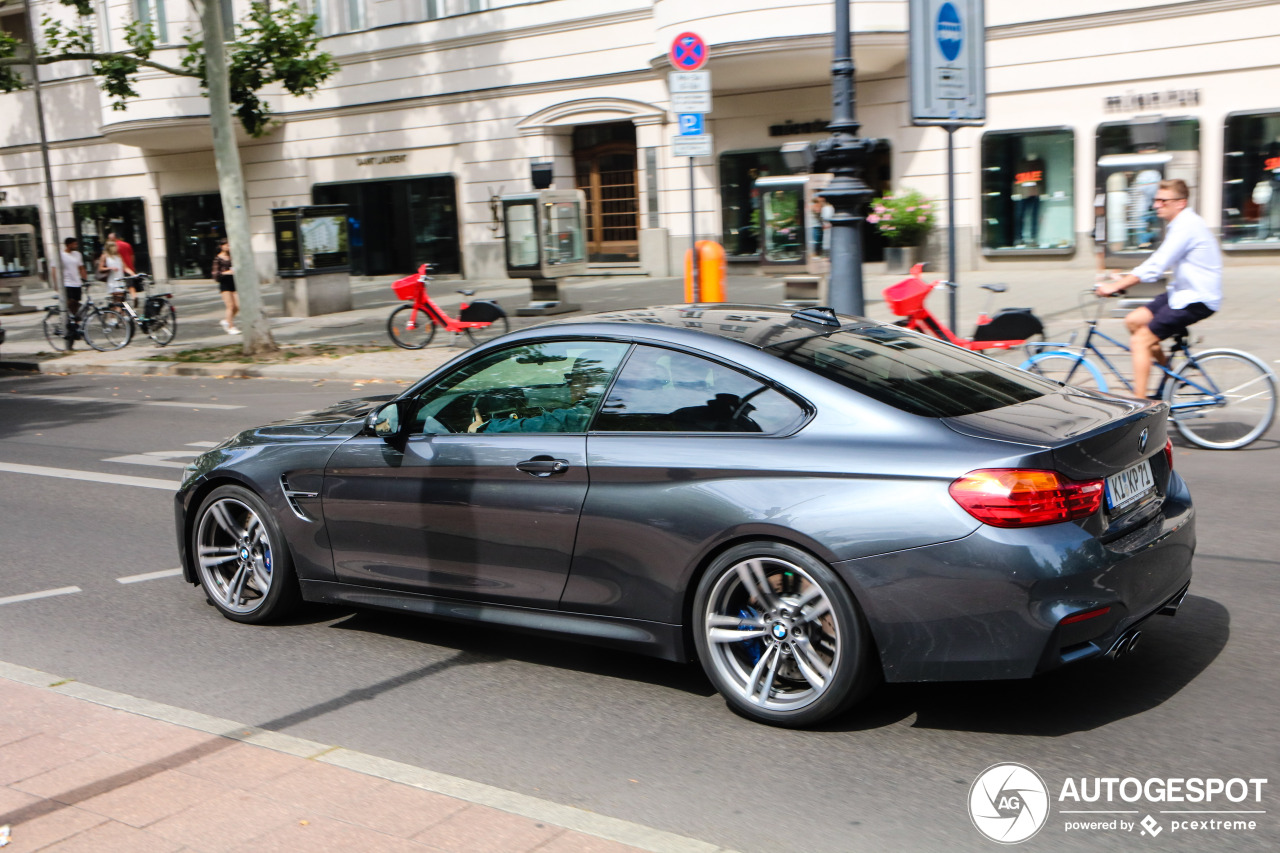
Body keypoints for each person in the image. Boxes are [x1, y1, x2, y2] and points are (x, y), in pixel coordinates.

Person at [1094, 179, 1222, 398]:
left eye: (1163, 201)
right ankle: (1172, 375)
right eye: (1156, 200)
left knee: (1140, 340)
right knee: (1133, 320)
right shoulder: (1180, 224)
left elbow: (1156, 266)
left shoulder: (1187, 226)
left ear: (1180, 203)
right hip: (1180, 293)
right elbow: (1156, 262)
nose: (1156, 205)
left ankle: (1141, 407)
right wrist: (1122, 280)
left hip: (1196, 299)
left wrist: (1116, 285)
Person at [467, 358, 607, 433]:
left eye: (571, 378)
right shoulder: (610, 403)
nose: (569, 385)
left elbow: (545, 425)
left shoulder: (585, 413)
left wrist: (482, 427)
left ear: (583, 381)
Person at [210, 239, 240, 335]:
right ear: (222, 246)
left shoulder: (232, 257)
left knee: (237, 306)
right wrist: (226, 272)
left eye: (230, 245)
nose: (229, 247)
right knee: (230, 306)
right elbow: (215, 274)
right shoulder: (218, 259)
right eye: (227, 245)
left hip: (234, 282)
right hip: (225, 283)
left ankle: (226, 321)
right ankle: (231, 326)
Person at [105, 230, 141, 302]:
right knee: (130, 285)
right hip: (127, 269)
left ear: (113, 238)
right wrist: (132, 268)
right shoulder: (127, 245)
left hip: (118, 275)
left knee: (118, 301)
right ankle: (134, 296)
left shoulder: (114, 248)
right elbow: (132, 256)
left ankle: (121, 310)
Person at [97, 240, 135, 305]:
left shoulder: (118, 256)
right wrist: (110, 268)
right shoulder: (105, 256)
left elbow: (125, 267)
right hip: (113, 281)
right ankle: (118, 313)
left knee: (122, 301)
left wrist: (133, 274)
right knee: (119, 300)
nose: (116, 247)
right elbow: (100, 268)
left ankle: (119, 313)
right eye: (114, 246)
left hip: (120, 280)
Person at [59, 236, 87, 317]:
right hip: (67, 282)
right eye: (74, 244)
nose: (76, 246)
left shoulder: (78, 254)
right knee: (70, 301)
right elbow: (56, 269)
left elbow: (81, 268)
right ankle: (66, 317)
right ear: (68, 245)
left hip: (77, 282)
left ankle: (74, 319)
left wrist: (85, 279)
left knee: (76, 302)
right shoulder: (61, 255)